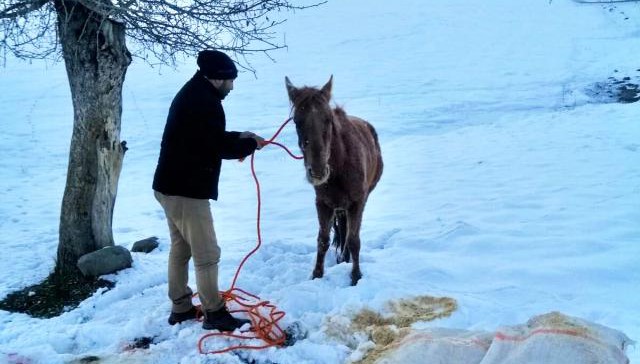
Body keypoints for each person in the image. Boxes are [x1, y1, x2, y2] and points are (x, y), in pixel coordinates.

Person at [153, 49, 264, 331]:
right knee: (207, 254)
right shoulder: (205, 102)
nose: (233, 86)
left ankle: (181, 308)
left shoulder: (195, 93)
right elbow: (217, 146)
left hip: (169, 186)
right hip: (187, 192)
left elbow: (207, 137)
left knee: (181, 248)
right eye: (231, 81)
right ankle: (214, 313)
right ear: (218, 79)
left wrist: (241, 136)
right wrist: (249, 145)